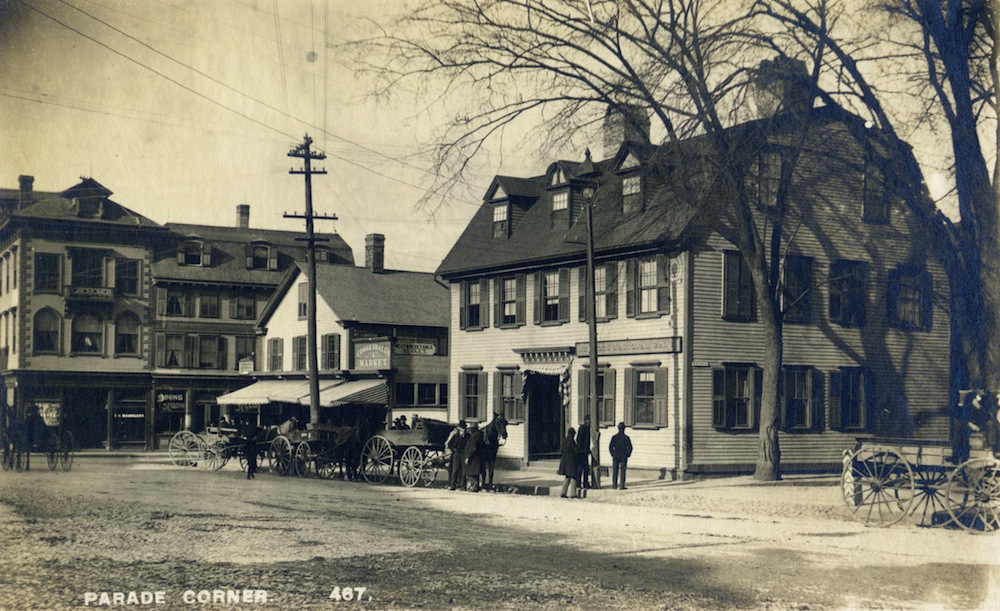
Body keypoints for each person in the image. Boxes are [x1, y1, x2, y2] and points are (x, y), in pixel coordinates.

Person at [609, 422, 633, 490]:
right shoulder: (626, 438)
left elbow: (610, 447)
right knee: (622, 471)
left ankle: (614, 485)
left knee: (615, 471)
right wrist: (627, 454)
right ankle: (621, 485)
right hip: (622, 456)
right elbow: (630, 447)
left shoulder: (614, 437)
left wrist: (612, 454)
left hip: (617, 456)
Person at [445, 420, 468, 490]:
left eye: (464, 428)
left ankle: (463, 486)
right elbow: (449, 444)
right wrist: (453, 450)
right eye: (461, 428)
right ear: (459, 428)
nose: (463, 430)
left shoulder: (467, 436)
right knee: (455, 470)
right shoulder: (455, 435)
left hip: (463, 454)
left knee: (463, 470)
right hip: (457, 453)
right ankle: (453, 486)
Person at [558, 427, 579, 498]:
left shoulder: (564, 440)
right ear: (572, 434)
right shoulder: (572, 441)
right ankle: (573, 494)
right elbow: (576, 451)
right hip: (571, 462)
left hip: (565, 461)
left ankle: (563, 492)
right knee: (573, 477)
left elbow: (561, 450)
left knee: (567, 477)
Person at [464, 421, 484, 492]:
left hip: (474, 459)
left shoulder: (475, 436)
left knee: (470, 473)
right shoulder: (478, 435)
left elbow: (473, 448)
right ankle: (475, 487)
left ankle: (474, 486)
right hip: (476, 459)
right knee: (474, 473)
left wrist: (468, 457)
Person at [576, 415, 592, 489]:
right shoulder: (583, 428)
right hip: (581, 451)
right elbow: (580, 440)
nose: (589, 422)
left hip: (584, 451)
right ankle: (579, 483)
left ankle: (585, 483)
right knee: (581, 468)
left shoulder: (587, 428)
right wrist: (583, 449)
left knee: (585, 468)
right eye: (588, 420)